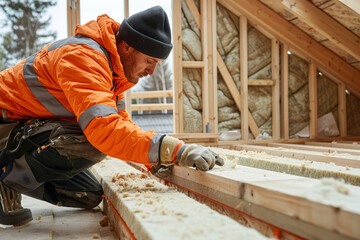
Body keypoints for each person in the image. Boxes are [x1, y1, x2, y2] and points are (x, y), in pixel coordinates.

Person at [0, 6, 224, 226]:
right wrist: (175, 150)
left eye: (157, 64)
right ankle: (7, 178)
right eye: (149, 61)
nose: (151, 72)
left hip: (24, 125)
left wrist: (153, 158)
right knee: (95, 143)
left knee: (89, 195)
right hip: (5, 125)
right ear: (127, 47)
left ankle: (18, 177)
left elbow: (122, 123)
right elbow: (105, 129)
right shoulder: (82, 57)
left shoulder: (113, 70)